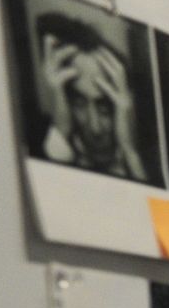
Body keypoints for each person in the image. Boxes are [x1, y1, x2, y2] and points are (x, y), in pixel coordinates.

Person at [33, 11, 150, 181]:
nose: (95, 128)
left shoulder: (153, 156)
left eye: (104, 109)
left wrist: (129, 152)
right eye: (79, 104)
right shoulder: (43, 145)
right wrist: (62, 132)